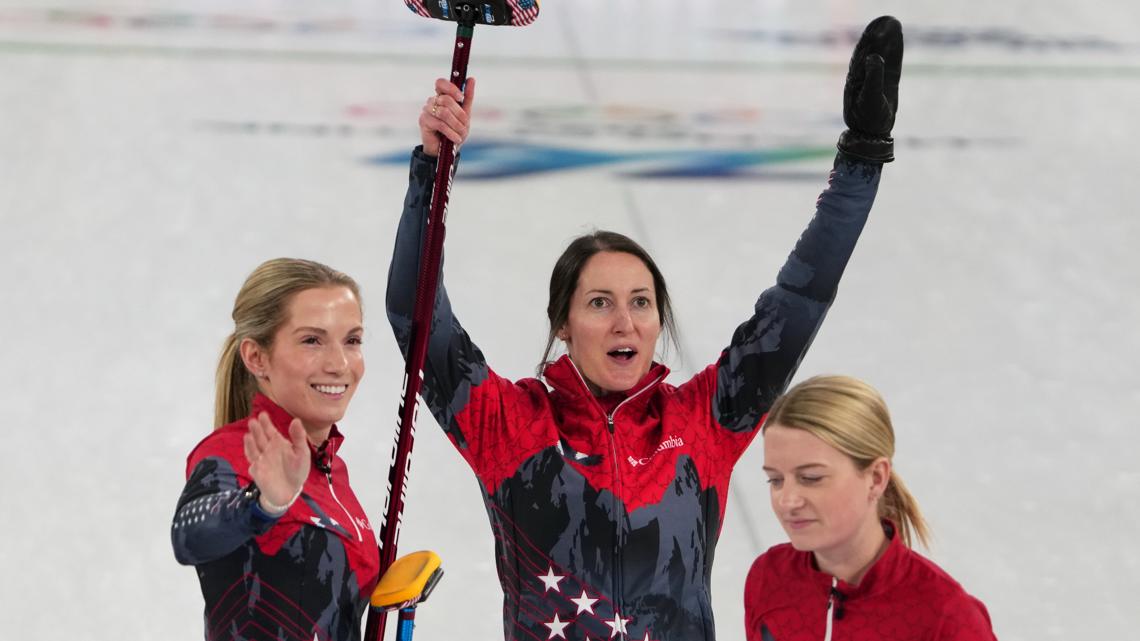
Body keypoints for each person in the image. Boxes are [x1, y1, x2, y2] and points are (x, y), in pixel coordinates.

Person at [387, 16, 903, 641]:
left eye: (641, 302)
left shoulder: (703, 422)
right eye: (600, 303)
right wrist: (432, 170)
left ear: (660, 321)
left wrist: (860, 164)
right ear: (564, 325)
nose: (625, 320)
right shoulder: (509, 424)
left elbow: (799, 299)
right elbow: (416, 314)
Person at [171, 258, 380, 641]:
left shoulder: (332, 474)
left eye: (352, 340)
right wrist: (262, 504)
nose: (339, 363)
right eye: (312, 340)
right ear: (257, 357)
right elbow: (189, 536)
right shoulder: (237, 452)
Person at [745, 376, 996, 641]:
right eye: (775, 480)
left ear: (876, 477)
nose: (787, 500)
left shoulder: (947, 617)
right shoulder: (769, 577)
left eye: (811, 478)